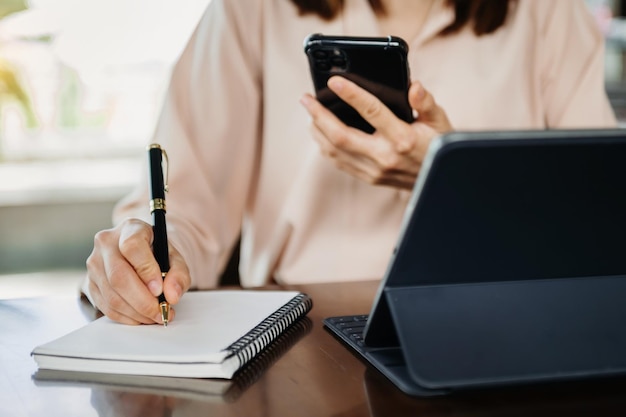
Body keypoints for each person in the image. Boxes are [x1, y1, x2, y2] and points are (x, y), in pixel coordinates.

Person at [85, 0, 617, 325]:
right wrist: (147, 253)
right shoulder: (251, 8)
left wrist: (454, 178)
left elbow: (597, 218)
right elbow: (188, 210)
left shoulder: (548, 11)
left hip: (497, 321)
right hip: (295, 334)